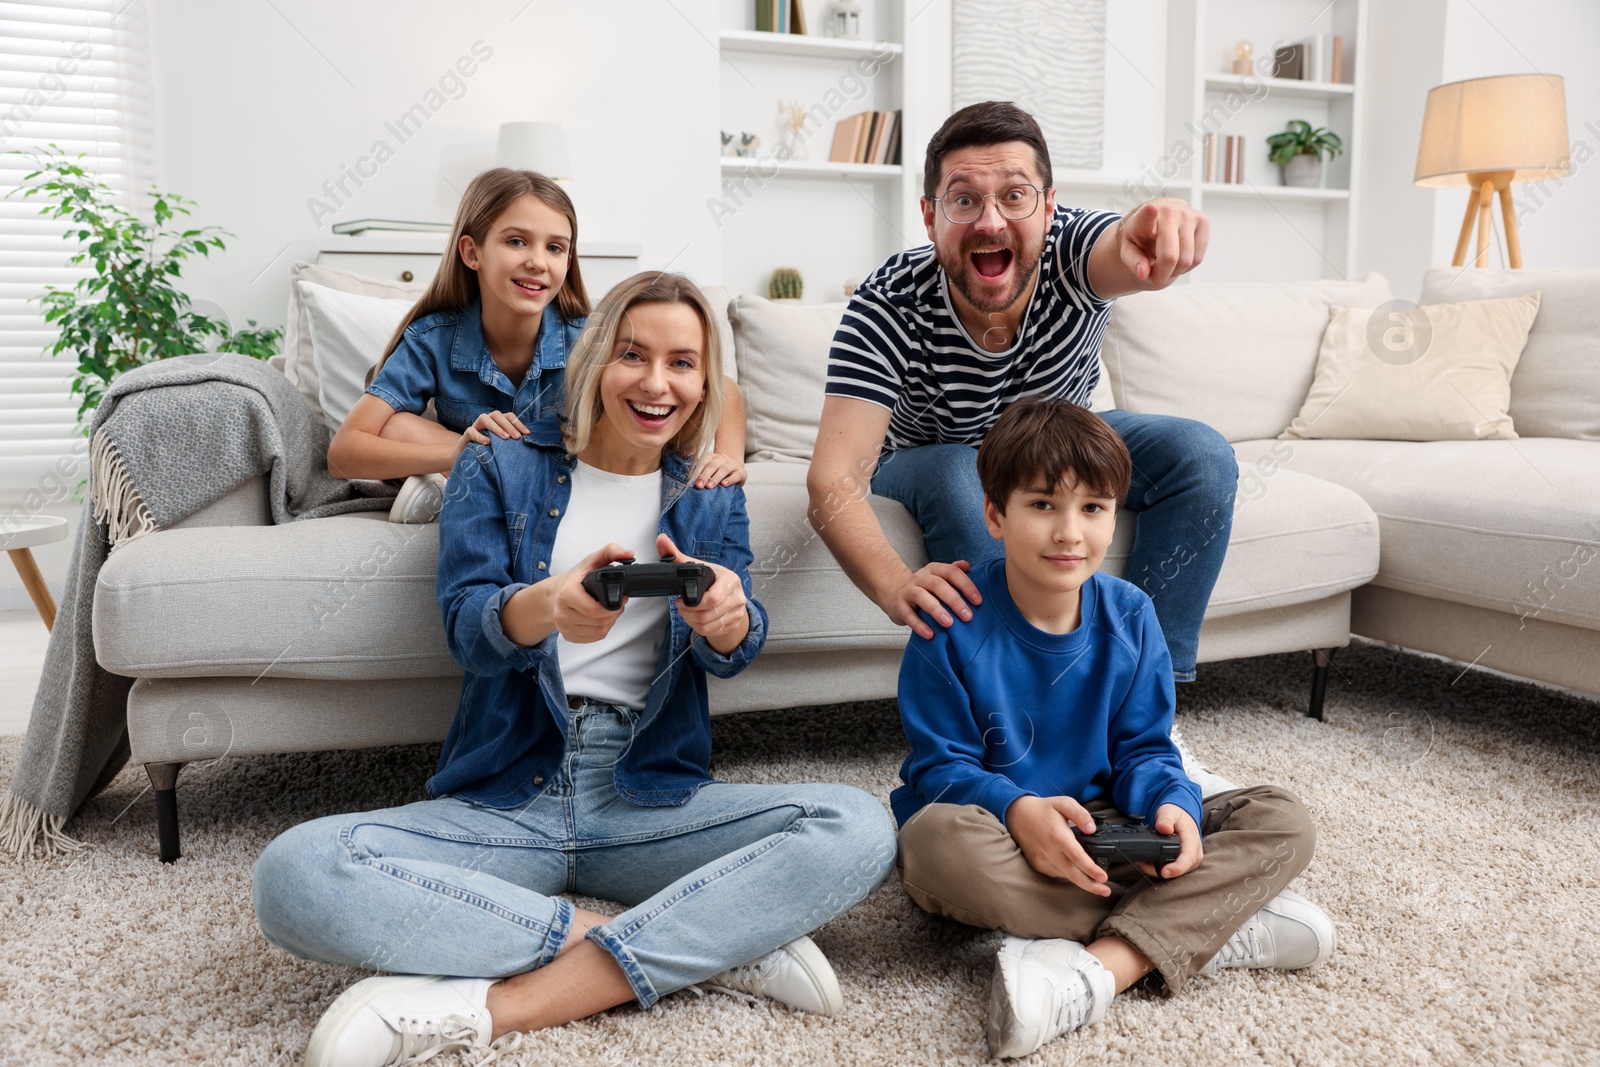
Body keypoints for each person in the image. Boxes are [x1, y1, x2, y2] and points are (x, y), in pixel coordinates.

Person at [254, 272, 896, 1067]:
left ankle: (503, 1004)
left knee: (859, 825)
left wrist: (728, 622)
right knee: (296, 872)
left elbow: (734, 648)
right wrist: (547, 606)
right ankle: (707, 942)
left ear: (705, 384)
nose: (657, 383)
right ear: (593, 358)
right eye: (633, 354)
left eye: (683, 363)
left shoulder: (708, 492)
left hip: (645, 794)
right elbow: (467, 627)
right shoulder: (499, 464)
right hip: (510, 795)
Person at [891, 397, 1334, 1059]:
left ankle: (1102, 964)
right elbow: (938, 771)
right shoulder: (951, 621)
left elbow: (1145, 748)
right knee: (933, 845)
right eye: (1043, 505)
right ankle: (1201, 921)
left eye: (1093, 508)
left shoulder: (1132, 613)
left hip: (1106, 823)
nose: (1070, 532)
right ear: (995, 515)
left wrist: (1172, 803)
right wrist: (1018, 808)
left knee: (1283, 818)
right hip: (999, 827)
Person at [808, 100, 1231, 691]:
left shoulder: (1070, 250)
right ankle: (1029, 702)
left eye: (1015, 195)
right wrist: (893, 585)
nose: (990, 221)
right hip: (932, 455)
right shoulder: (886, 306)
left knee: (1201, 455)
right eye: (964, 199)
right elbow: (833, 481)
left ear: (1049, 206)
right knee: (963, 473)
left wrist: (1152, 226)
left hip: (1057, 441)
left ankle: (1141, 696)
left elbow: (1117, 248)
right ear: (930, 217)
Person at [328, 168, 747, 523]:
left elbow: (721, 389)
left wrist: (730, 458)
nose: (537, 261)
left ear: (569, 261)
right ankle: (457, 483)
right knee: (395, 422)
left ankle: (459, 492)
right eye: (516, 241)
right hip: (480, 466)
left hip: (563, 476)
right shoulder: (433, 338)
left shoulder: (587, 337)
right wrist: (455, 454)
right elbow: (343, 454)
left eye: (555, 247)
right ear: (472, 253)